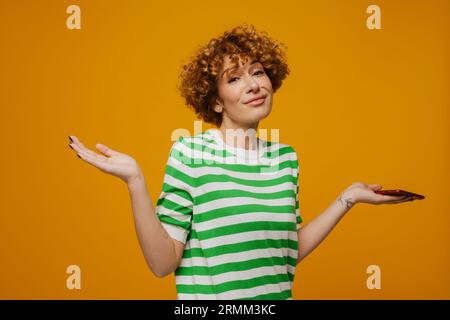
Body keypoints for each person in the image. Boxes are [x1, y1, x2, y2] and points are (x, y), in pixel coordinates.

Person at [67, 24, 414, 300]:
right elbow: (162, 264)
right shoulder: (190, 154)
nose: (252, 85)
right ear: (216, 102)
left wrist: (347, 199)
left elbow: (284, 252)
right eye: (234, 78)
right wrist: (135, 182)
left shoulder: (285, 159)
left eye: (257, 73)